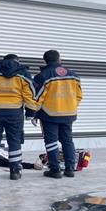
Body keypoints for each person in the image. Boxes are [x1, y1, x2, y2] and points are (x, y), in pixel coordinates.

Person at [28, 50, 83, 179]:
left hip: (50, 114)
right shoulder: (73, 75)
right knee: (67, 140)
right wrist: (70, 106)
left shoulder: (42, 76)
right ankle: (70, 169)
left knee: (51, 142)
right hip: (69, 113)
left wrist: (34, 113)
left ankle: (55, 169)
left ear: (45, 61)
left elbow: (38, 97)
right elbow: (79, 95)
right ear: (59, 59)